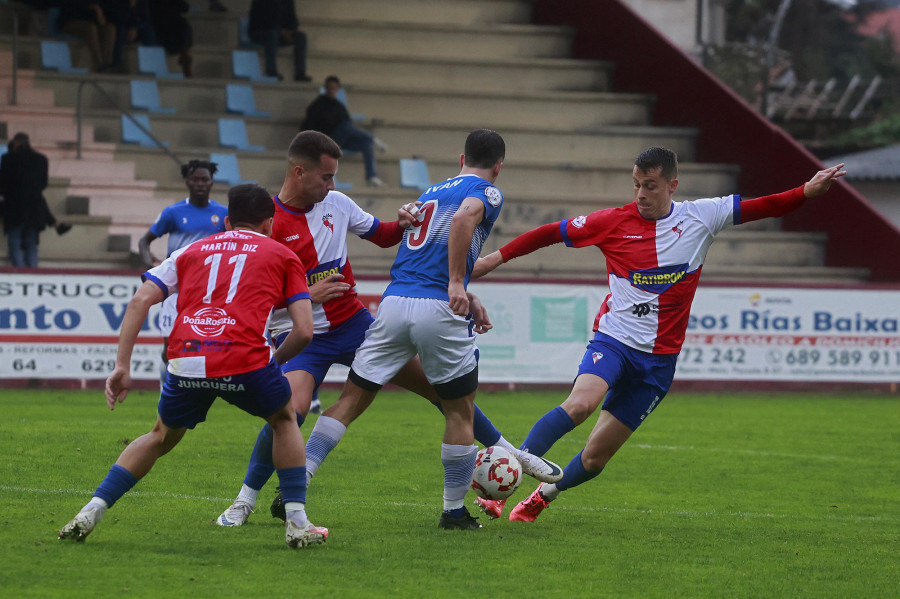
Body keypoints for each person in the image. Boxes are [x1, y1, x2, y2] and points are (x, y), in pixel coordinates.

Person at [470, 147, 847, 523]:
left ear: (672, 185)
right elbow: (550, 232)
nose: (641, 194)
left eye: (650, 186)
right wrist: (493, 259)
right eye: (636, 185)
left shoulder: (701, 217)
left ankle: (546, 494)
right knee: (580, 405)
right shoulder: (612, 222)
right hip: (614, 341)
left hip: (659, 362)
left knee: (595, 458)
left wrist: (804, 192)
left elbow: (765, 207)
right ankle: (506, 487)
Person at [215, 130, 561, 528]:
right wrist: (308, 294)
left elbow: (382, 235)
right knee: (288, 412)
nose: (332, 185)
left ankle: (512, 451)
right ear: (298, 173)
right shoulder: (268, 225)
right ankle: (245, 499)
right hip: (302, 335)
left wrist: (402, 221)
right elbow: (243, 298)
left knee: (439, 394)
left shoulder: (338, 203)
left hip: (355, 325)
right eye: (325, 177)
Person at [58, 184, 329, 549]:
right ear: (269, 223)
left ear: (228, 220)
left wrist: (122, 365)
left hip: (186, 360)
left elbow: (140, 300)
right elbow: (305, 331)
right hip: (245, 358)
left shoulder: (191, 250)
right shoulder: (282, 254)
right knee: (284, 419)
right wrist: (272, 362)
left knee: (159, 436)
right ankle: (297, 523)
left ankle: (92, 509)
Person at [309, 129, 520, 531]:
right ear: (498, 166)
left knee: (351, 399)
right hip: (437, 307)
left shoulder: (431, 191)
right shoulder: (488, 192)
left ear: (461, 159)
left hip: (393, 304)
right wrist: (457, 284)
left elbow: (439, 246)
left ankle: (296, 482)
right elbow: (463, 219)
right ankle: (453, 511)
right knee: (459, 408)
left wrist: (472, 275)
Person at [138, 160, 228, 380]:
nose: (200, 183)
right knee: (170, 348)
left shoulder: (223, 213)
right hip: (176, 290)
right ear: (187, 181)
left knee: (206, 345)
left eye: (204, 179)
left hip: (208, 291)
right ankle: (165, 389)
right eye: (195, 179)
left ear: (211, 182)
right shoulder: (173, 213)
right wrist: (150, 264)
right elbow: (143, 241)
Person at [301, 76, 386, 187]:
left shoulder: (339, 106)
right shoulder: (317, 106)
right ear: (326, 88)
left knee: (366, 143)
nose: (331, 90)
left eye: (334, 88)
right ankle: (372, 138)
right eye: (329, 88)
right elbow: (309, 127)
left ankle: (371, 176)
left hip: (342, 140)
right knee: (346, 127)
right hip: (327, 141)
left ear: (337, 89)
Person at [0, 133, 53, 267]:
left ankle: (19, 272)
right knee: (31, 243)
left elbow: (3, 184)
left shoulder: (8, 159)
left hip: (14, 207)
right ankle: (33, 273)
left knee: (14, 241)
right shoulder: (42, 160)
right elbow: (43, 184)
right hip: (35, 207)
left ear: (16, 143)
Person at [247, 0, 311, 83]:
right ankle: (271, 72)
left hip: (280, 33)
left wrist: (291, 31)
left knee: (301, 37)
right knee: (272, 35)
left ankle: (300, 73)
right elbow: (259, 20)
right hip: (260, 32)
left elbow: (293, 19)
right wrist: (280, 31)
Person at [57, 1, 116, 71]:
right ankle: (99, 63)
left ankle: (106, 63)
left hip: (90, 23)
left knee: (110, 29)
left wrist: (99, 15)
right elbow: (74, 11)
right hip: (70, 21)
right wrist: (91, 9)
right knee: (90, 28)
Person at [148, 0, 193, 77]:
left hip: (170, 29)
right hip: (161, 29)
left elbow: (185, 7)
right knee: (184, 26)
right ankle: (184, 54)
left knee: (184, 26)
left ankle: (184, 54)